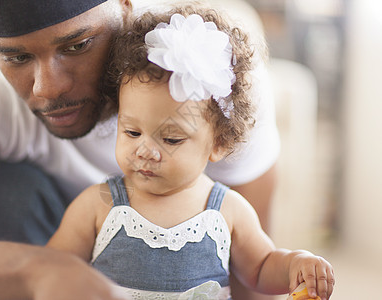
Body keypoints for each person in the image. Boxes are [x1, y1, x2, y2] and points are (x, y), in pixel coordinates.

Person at [0, 0, 279, 299]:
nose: (49, 88)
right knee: (9, 191)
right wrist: (39, 270)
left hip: (186, 265)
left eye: (77, 46)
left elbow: (249, 264)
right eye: (17, 57)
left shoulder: (206, 73)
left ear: (125, 4)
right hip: (46, 257)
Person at [47, 8, 334, 300]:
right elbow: (50, 270)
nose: (145, 150)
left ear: (218, 143)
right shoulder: (97, 207)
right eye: (132, 132)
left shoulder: (228, 211)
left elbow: (260, 268)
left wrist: (294, 265)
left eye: (171, 139)